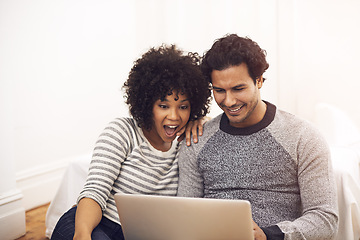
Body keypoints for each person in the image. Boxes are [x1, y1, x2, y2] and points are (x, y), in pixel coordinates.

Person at [177, 34, 339, 240]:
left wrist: (268, 235)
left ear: (259, 80)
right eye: (219, 90)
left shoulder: (303, 137)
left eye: (238, 88)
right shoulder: (197, 140)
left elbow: (325, 219)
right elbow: (184, 216)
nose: (228, 101)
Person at [51, 44, 211, 240]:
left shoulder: (187, 143)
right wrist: (83, 233)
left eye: (183, 107)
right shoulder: (122, 131)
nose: (174, 116)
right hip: (93, 224)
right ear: (146, 104)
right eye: (163, 105)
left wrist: (204, 122)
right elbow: (94, 191)